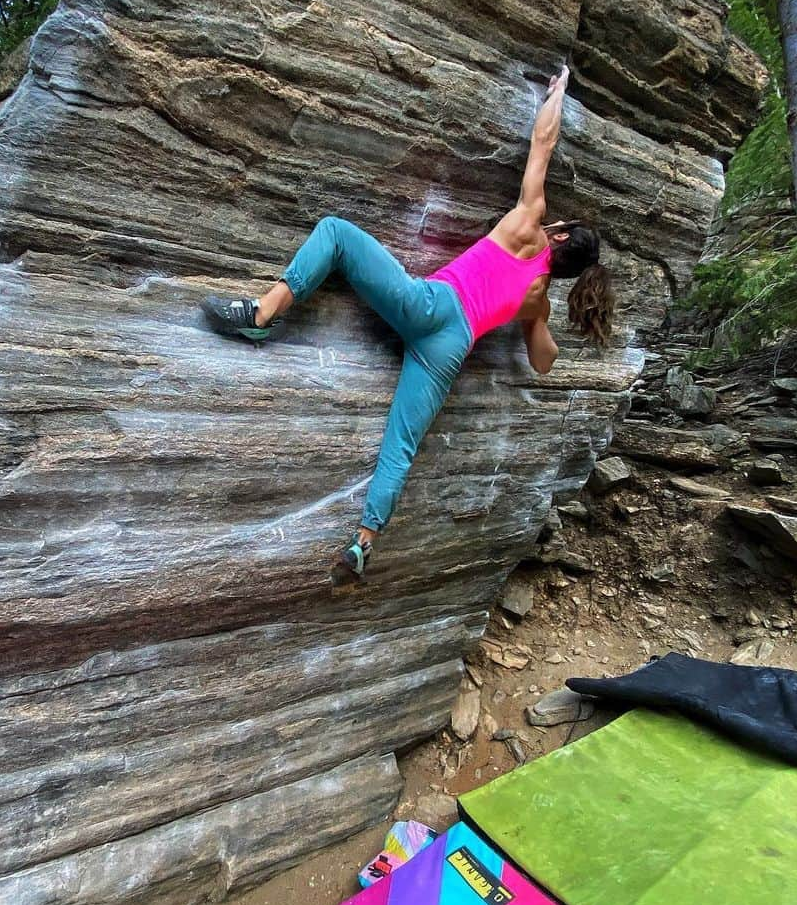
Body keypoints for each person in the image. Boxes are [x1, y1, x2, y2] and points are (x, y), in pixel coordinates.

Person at [202, 65, 614, 583]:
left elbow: (543, 142)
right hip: (448, 351)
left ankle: (261, 315)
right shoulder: (539, 298)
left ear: (558, 238)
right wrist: (541, 317)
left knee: (335, 232)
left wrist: (558, 91)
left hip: (431, 306)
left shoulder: (529, 221)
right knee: (400, 443)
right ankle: (362, 543)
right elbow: (544, 361)